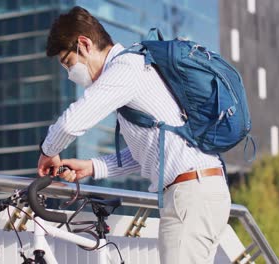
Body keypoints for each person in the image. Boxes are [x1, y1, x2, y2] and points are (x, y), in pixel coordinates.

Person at [37, 6, 231, 264]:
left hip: (191, 194)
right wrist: (92, 167)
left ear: (84, 44)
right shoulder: (135, 67)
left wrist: (47, 152)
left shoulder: (126, 67)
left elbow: (72, 123)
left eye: (68, 63)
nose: (70, 74)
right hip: (195, 192)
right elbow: (149, 151)